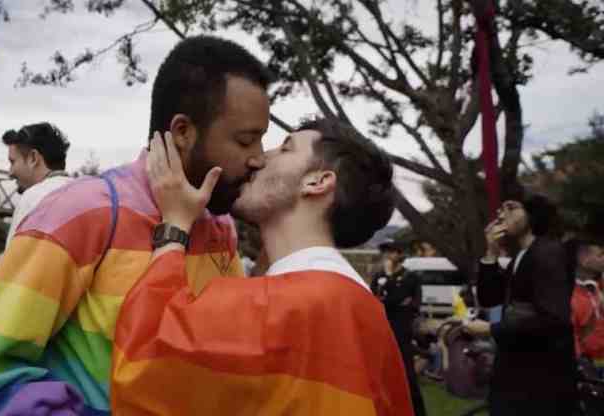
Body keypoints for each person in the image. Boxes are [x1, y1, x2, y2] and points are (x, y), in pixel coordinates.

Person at [0, 35, 271, 415]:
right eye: (247, 141)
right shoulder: (80, 213)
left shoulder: (220, 229)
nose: (259, 159)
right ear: (182, 132)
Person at [111, 120, 413, 415]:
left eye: (285, 149)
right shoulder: (366, 313)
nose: (257, 159)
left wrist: (175, 224)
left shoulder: (283, 304)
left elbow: (143, 363)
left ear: (317, 182)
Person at [466, 196, 575, 415]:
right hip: (518, 373)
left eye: (511, 208)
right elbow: (490, 298)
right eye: (500, 209)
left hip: (539, 379)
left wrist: (491, 329)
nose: (501, 214)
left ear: (532, 215)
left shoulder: (547, 253)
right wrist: (490, 253)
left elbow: (554, 319)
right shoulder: (523, 255)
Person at [369, 239, 426, 416]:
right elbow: (374, 300)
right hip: (382, 331)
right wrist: (393, 299)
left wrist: (390, 282)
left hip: (402, 333)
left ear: (400, 254)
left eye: (392, 251)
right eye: (385, 251)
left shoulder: (411, 277)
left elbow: (410, 303)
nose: (388, 255)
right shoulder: (378, 277)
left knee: (407, 377)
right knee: (381, 377)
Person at [2, 122, 72, 248]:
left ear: (33, 158)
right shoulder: (89, 197)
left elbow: (14, 264)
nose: (10, 172)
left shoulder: (32, 198)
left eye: (13, 162)